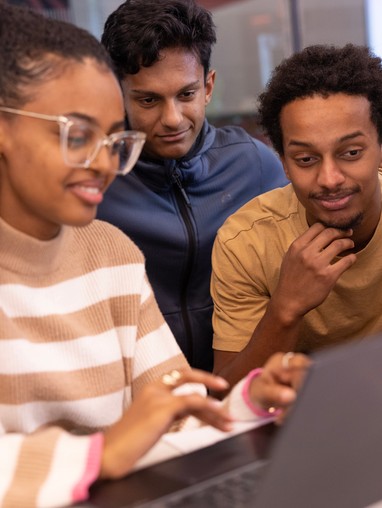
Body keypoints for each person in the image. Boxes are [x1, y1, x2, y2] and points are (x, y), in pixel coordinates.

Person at [0, 5, 303, 507]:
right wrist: (98, 454)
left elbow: (177, 416)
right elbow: (115, 449)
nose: (103, 164)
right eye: (77, 136)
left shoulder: (111, 254)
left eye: (112, 140)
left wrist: (251, 404)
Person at [96, 0, 288, 371]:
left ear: (208, 86)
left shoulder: (255, 165)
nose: (172, 119)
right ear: (118, 94)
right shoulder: (96, 179)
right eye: (149, 99)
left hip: (242, 386)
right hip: (138, 399)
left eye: (186, 94)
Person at [211, 43, 382, 388]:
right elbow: (224, 398)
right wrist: (285, 308)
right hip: (293, 423)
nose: (330, 179)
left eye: (350, 153)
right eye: (306, 159)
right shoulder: (246, 242)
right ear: (284, 164)